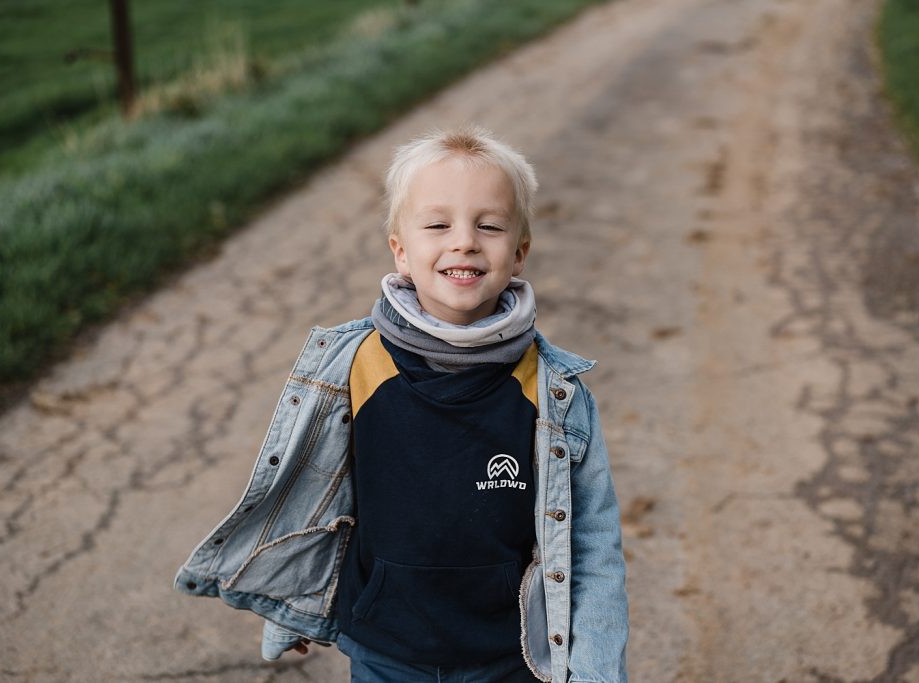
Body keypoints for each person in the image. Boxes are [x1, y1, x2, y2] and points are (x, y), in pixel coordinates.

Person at [174, 125, 629, 682]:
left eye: (488, 226)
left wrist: (598, 672)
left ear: (518, 254)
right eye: (438, 225)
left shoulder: (553, 392)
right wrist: (288, 608)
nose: (463, 241)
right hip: (385, 648)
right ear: (402, 252)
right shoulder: (354, 367)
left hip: (510, 656)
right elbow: (309, 494)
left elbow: (593, 546)